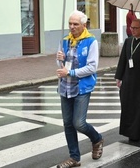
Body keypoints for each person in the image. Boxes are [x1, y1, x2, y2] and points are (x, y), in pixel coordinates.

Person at [55, 10, 104, 167]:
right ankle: (74, 158)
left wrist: (70, 72)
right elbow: (60, 67)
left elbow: (92, 67)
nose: (72, 26)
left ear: (84, 25)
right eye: (70, 23)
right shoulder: (65, 41)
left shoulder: (91, 42)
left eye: (75, 24)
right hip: (65, 87)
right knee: (68, 124)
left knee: (79, 123)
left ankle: (96, 138)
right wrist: (59, 60)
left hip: (81, 88)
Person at [115, 19, 140, 142]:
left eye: (135, 28)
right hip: (128, 79)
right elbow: (123, 60)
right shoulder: (128, 41)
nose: (132, 30)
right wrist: (119, 77)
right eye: (131, 27)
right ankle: (129, 131)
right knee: (128, 105)